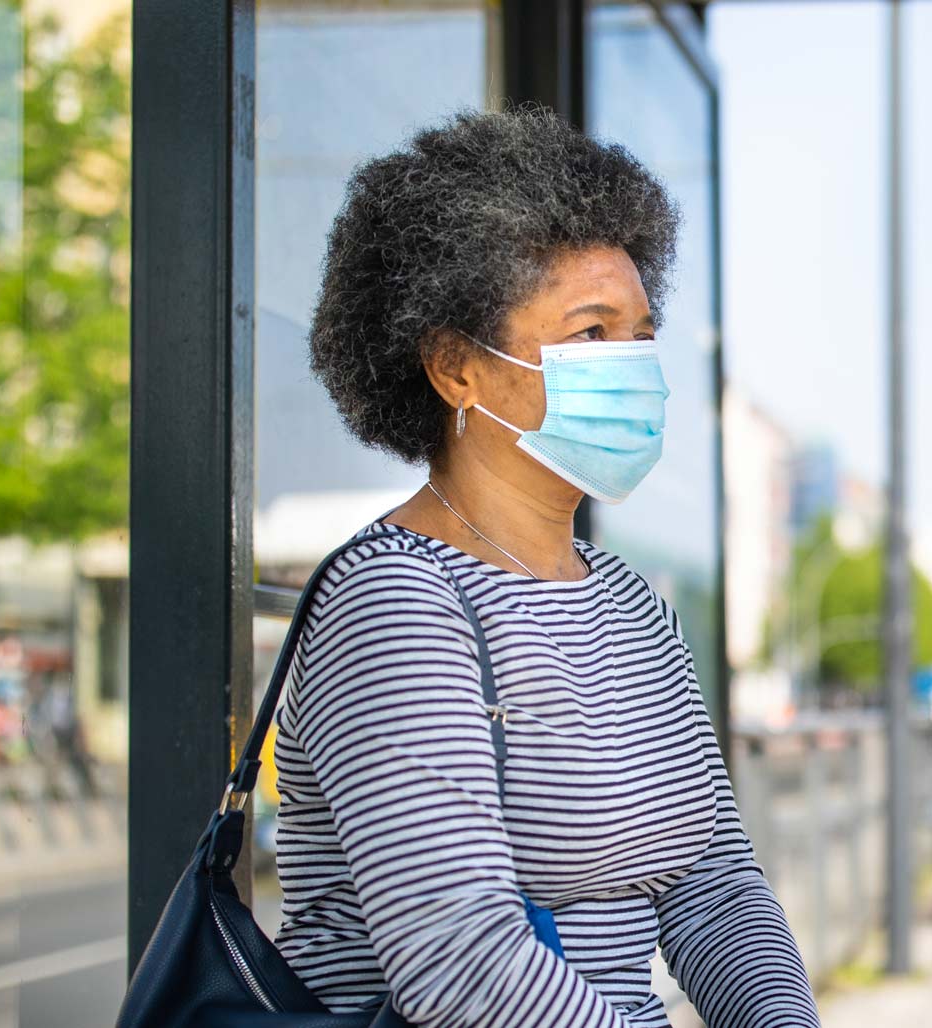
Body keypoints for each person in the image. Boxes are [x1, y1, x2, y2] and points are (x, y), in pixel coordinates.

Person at [274, 108, 818, 1028]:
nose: (635, 365)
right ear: (456, 369)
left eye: (641, 332)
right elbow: (461, 966)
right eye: (592, 334)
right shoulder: (393, 606)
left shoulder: (634, 608)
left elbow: (712, 885)